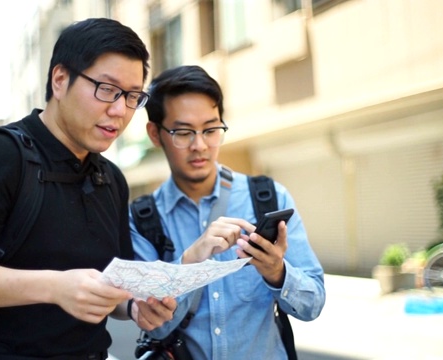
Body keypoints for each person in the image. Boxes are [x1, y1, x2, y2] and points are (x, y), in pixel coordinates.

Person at [0, 18, 176, 359]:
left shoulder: (110, 178)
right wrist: (54, 287)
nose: (119, 110)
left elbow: (111, 287)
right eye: (107, 90)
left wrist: (136, 306)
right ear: (60, 80)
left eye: (132, 96)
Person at [130, 65, 326, 359]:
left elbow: (313, 305)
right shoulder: (142, 220)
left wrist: (277, 272)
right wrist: (188, 264)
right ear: (155, 134)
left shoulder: (269, 198)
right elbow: (155, 327)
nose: (200, 145)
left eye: (211, 130)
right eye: (183, 132)